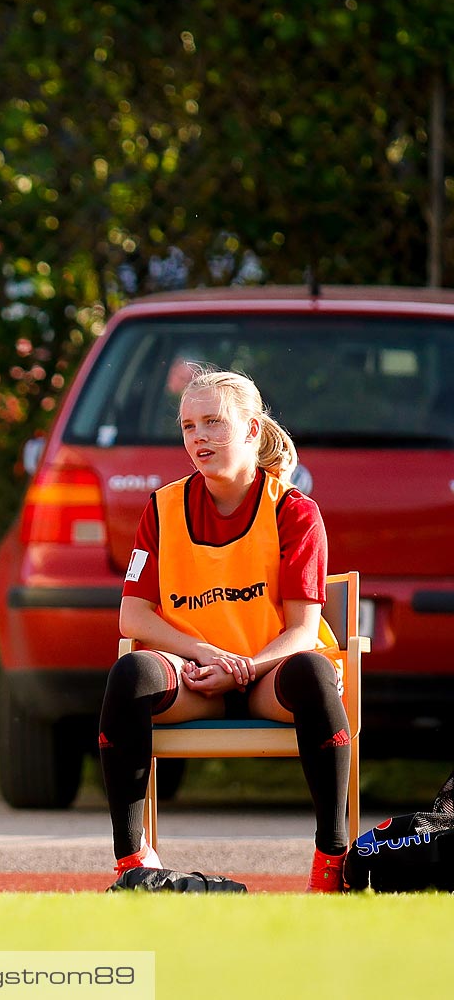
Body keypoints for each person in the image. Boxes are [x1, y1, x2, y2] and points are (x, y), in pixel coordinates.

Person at [99, 367, 350, 891]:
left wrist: (243, 667)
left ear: (253, 430)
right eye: (189, 426)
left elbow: (304, 631)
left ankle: (332, 859)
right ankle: (132, 863)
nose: (198, 438)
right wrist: (209, 656)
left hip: (268, 679)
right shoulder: (162, 506)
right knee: (131, 672)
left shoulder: (294, 510)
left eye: (213, 422)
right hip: (195, 678)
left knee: (312, 672)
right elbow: (134, 616)